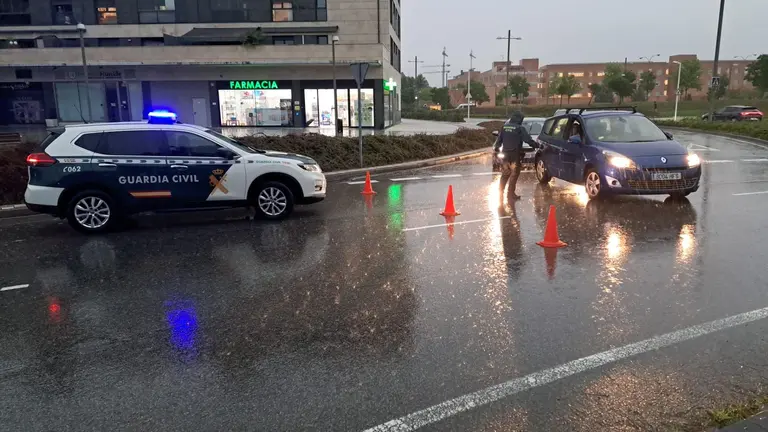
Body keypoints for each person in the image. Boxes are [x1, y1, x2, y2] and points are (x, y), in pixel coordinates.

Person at [494, 111, 539, 199]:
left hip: (505, 154)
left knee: (505, 174)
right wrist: (537, 145)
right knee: (514, 174)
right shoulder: (520, 128)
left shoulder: (504, 127)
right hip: (515, 154)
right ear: (519, 119)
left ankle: (500, 192)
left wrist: (497, 148)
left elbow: (499, 140)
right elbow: (528, 140)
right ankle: (510, 194)